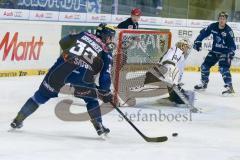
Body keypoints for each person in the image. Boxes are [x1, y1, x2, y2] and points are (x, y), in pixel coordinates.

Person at [10, 23, 116, 137]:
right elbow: (106, 73)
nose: (111, 40)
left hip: (61, 68)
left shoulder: (84, 34)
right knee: (91, 100)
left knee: (41, 95)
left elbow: (63, 42)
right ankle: (98, 124)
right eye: (110, 37)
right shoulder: (106, 50)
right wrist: (105, 91)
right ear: (105, 36)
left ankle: (18, 119)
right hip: (82, 75)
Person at [193, 11, 236, 95]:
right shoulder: (213, 26)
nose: (222, 20)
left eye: (223, 19)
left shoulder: (228, 31)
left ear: (226, 20)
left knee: (223, 68)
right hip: (215, 51)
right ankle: (204, 83)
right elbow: (203, 33)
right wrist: (198, 41)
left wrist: (231, 53)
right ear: (218, 19)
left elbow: (232, 45)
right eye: (220, 18)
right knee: (204, 66)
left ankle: (229, 87)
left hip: (225, 52)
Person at [145, 39, 195, 105]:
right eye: (187, 47)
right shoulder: (176, 50)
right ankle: (171, 97)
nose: (188, 50)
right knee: (184, 99)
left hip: (158, 78)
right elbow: (169, 62)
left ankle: (169, 97)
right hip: (156, 78)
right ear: (182, 46)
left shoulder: (180, 56)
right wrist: (170, 77)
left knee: (186, 95)